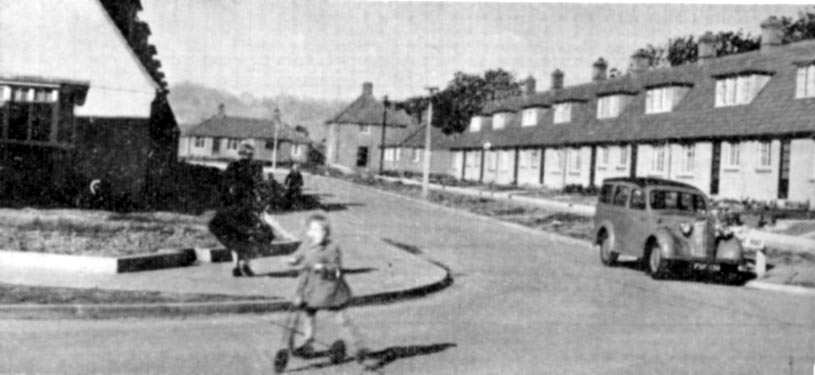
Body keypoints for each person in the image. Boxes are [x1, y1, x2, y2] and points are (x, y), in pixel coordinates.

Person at [288, 214, 368, 363]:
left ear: (327, 233)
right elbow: (299, 255)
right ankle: (308, 343)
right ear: (308, 232)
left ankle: (358, 346)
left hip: (329, 289)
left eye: (322, 230)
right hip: (311, 287)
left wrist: (324, 267)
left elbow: (337, 268)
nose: (318, 233)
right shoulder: (306, 244)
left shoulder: (332, 247)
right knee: (309, 315)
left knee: (340, 318)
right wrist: (293, 260)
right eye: (314, 230)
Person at [210, 141, 269, 277]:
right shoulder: (255, 167)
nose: (249, 156)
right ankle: (244, 264)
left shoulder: (233, 166)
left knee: (236, 236)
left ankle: (237, 265)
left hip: (236, 206)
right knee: (248, 236)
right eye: (249, 153)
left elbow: (224, 186)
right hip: (247, 206)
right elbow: (260, 187)